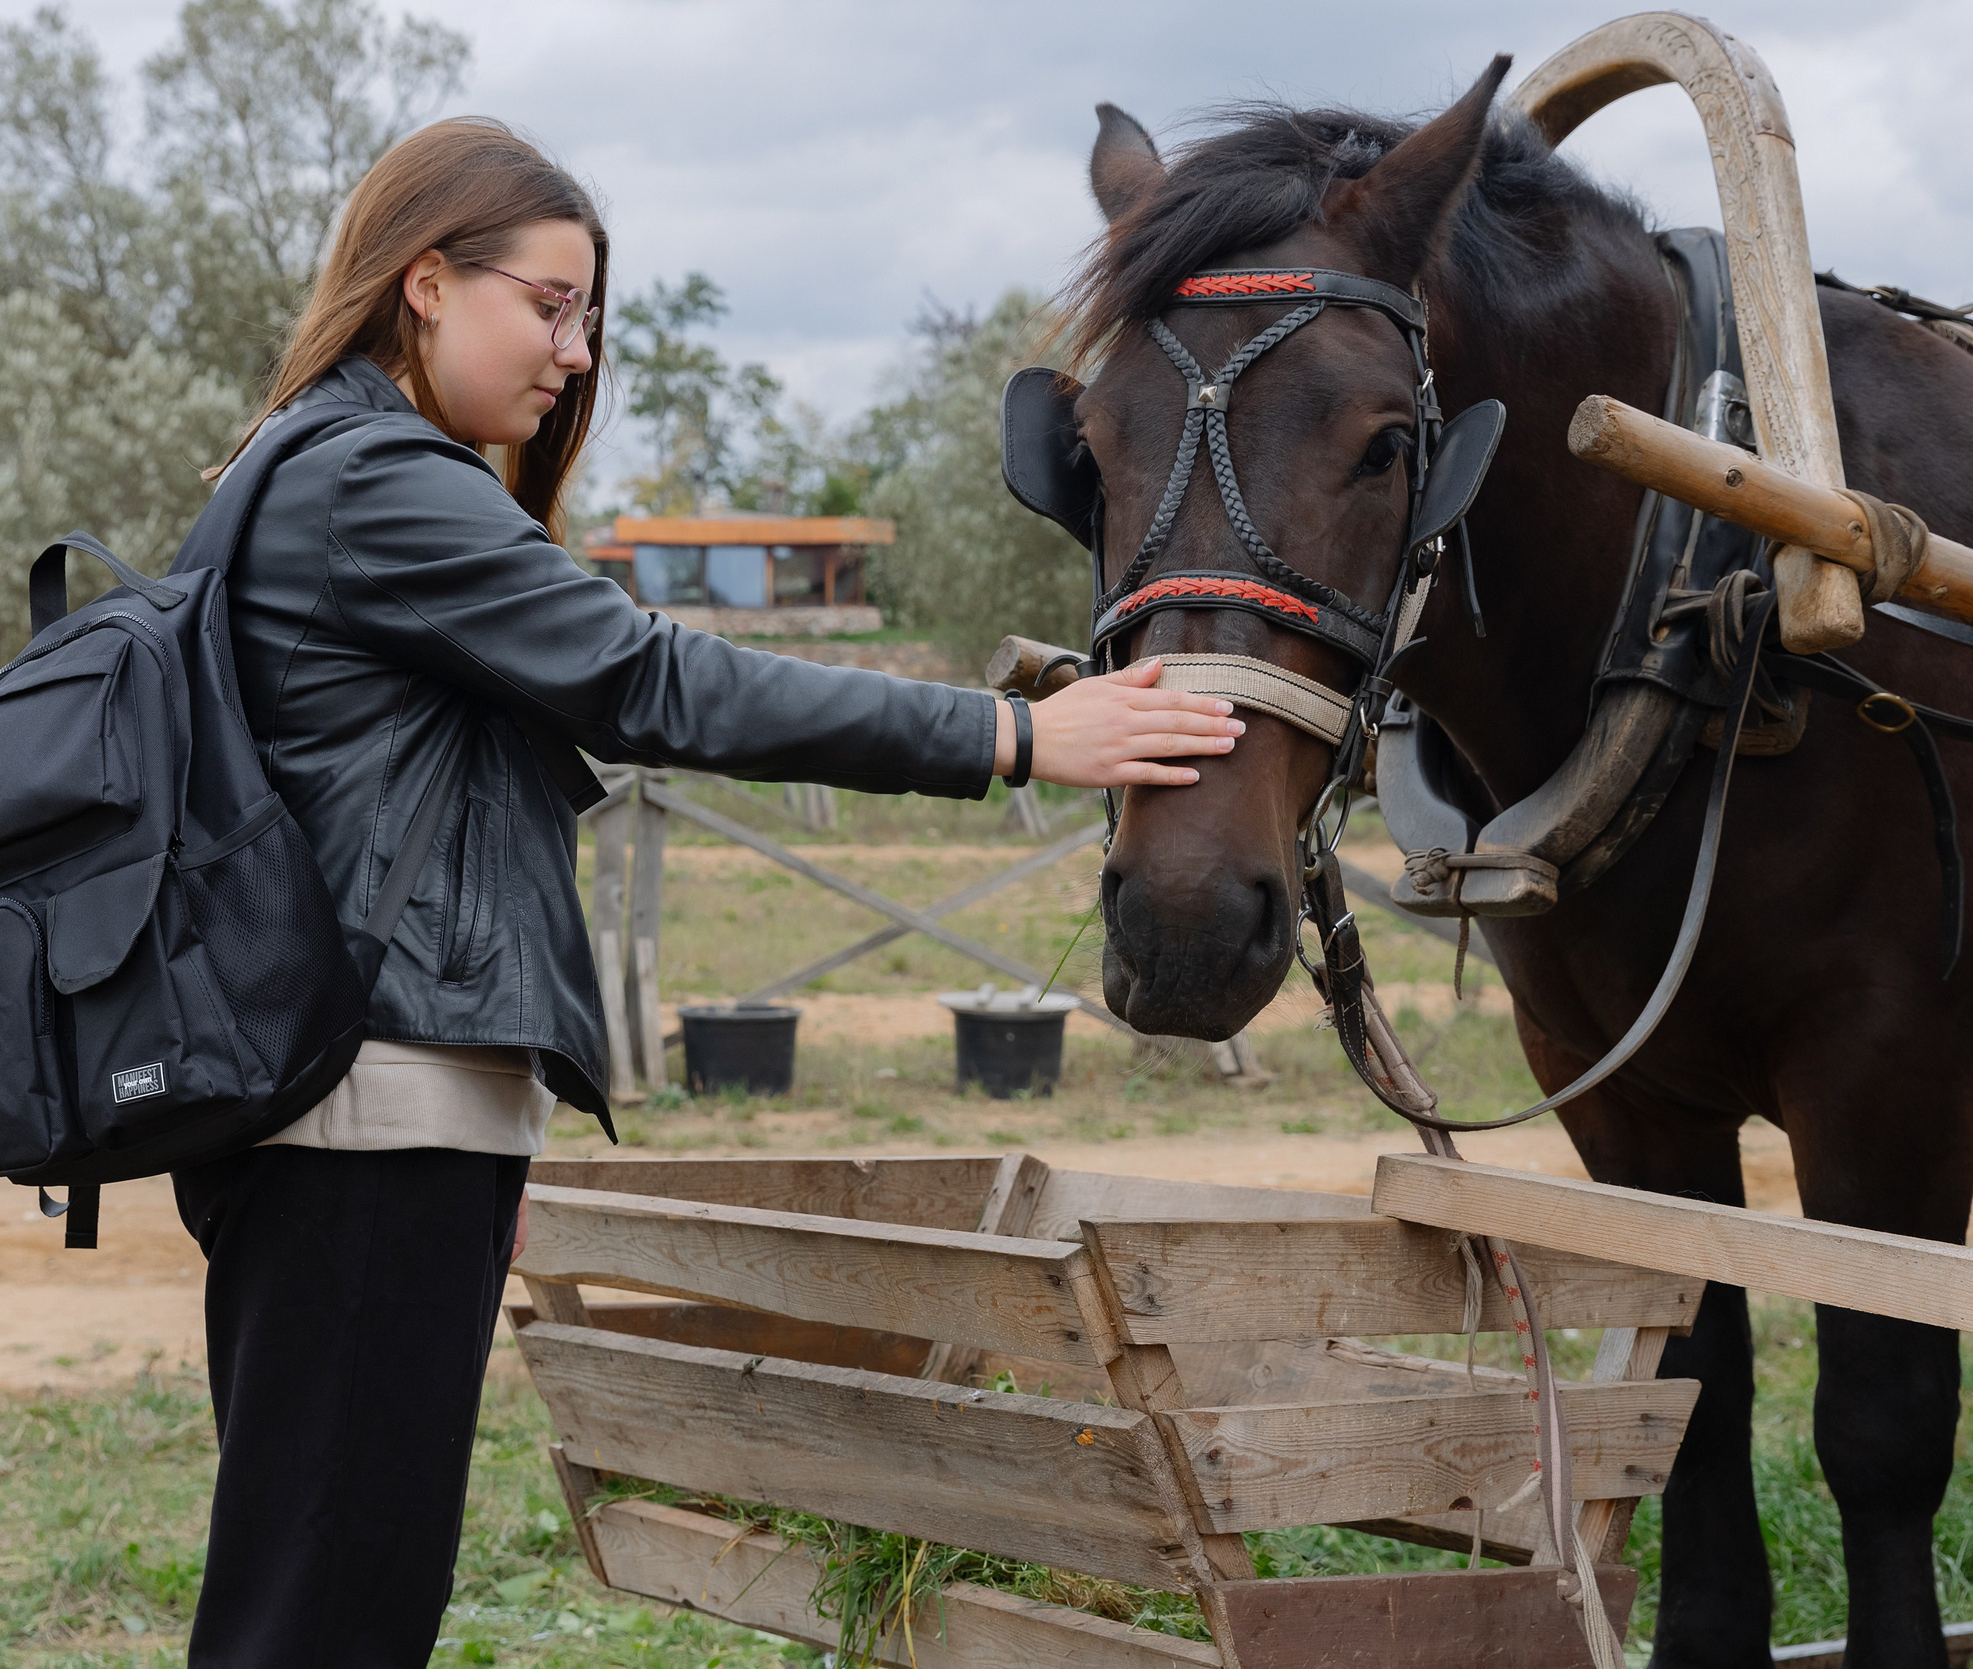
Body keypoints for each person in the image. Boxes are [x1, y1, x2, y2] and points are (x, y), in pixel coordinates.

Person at [165, 116, 1240, 1667]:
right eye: (545, 304)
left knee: (339, 1583)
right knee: (325, 1608)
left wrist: (496, 1119)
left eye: (589, 313)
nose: (574, 351)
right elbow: (651, 680)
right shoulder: (370, 484)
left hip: (381, 1108)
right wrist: (1016, 734)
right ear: (422, 283)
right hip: (368, 1115)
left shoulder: (324, 472)